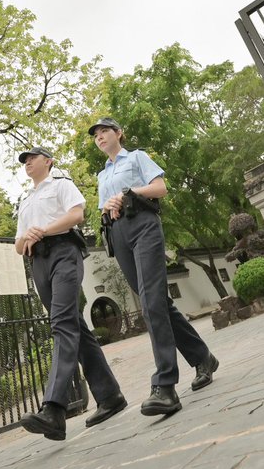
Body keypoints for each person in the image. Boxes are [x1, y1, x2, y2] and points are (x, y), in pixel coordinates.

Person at [89, 118, 219, 417]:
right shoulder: (102, 174)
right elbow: (104, 206)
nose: (100, 137)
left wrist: (129, 193)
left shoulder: (136, 157)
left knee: (150, 303)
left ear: (118, 133)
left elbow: (160, 188)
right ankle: (203, 357)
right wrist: (109, 205)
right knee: (156, 301)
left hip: (143, 225)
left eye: (105, 131)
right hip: (117, 233)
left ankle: (165, 385)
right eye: (96, 135)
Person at [14, 145, 127, 441]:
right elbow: (17, 243)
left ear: (48, 162)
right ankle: (110, 396)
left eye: (32, 158)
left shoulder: (62, 185)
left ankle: (53, 408)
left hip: (64, 252)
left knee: (62, 323)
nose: (27, 163)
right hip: (38, 262)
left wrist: (43, 231)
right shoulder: (25, 202)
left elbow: (76, 215)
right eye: (24, 161)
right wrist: (28, 236)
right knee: (74, 326)